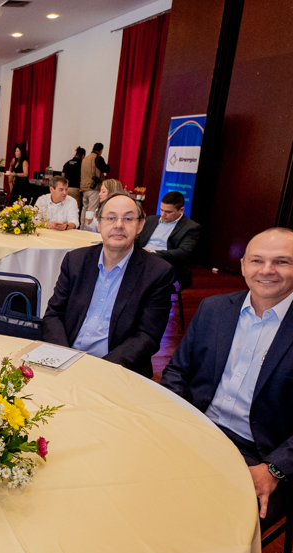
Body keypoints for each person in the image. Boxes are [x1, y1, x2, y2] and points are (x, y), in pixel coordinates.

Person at [160, 228, 293, 525]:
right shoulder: (213, 309)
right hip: (198, 431)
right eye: (257, 260)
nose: (267, 270)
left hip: (266, 455)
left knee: (204, 525)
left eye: (281, 262)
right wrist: (175, 425)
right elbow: (178, 371)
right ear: (243, 266)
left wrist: (274, 469)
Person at [42, 192, 175, 378]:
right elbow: (53, 315)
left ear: (140, 225)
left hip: (117, 370)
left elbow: (147, 336)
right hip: (64, 361)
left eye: (128, 218)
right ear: (99, 224)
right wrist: (63, 359)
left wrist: (100, 371)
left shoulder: (157, 272)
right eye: (111, 218)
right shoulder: (75, 261)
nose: (119, 225)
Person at [135, 191, 202, 290]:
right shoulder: (150, 220)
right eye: (161, 210)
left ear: (181, 210)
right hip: (142, 258)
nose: (163, 214)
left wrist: (152, 253)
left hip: (166, 263)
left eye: (169, 212)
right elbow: (137, 241)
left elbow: (182, 253)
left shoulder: (191, 227)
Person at [80, 143, 106, 214]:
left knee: (84, 208)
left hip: (84, 188)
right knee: (92, 210)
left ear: (93, 149)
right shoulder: (98, 158)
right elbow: (106, 169)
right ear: (101, 150)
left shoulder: (85, 159)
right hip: (94, 188)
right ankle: (89, 222)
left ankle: (82, 222)